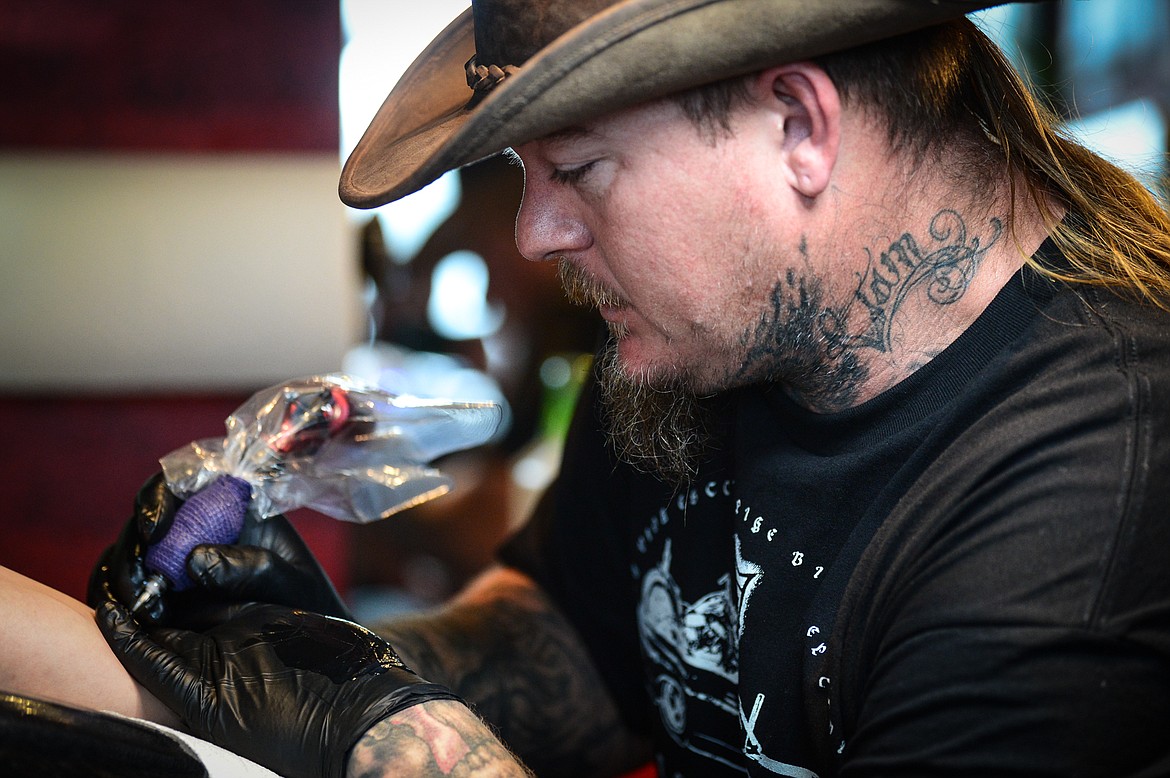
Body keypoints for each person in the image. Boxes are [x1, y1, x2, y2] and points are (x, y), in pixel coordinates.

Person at [87, 0, 1170, 776]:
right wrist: (333, 663)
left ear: (797, 124)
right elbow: (584, 637)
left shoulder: (1097, 484)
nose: (534, 233)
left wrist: (403, 744)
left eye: (579, 169)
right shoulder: (702, 335)